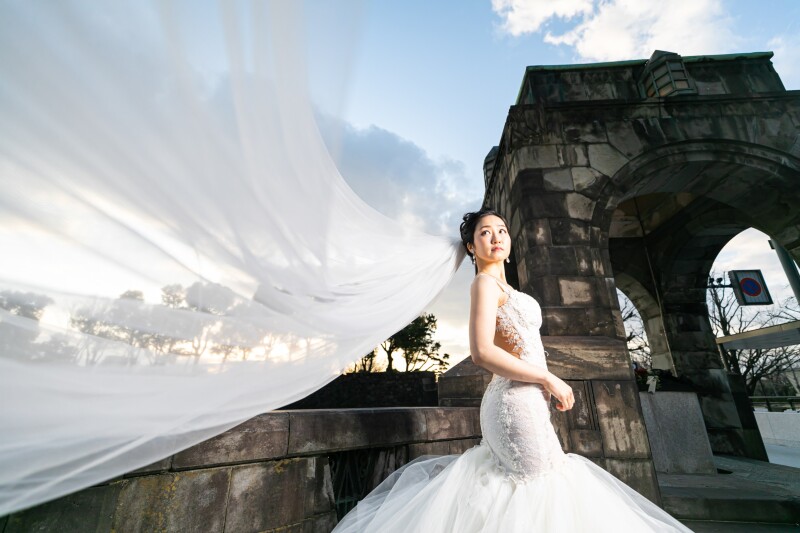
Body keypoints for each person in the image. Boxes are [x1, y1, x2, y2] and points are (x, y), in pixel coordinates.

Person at [332, 209, 693, 532]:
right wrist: (548, 378)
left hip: (529, 401)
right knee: (535, 489)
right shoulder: (484, 284)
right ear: (472, 247)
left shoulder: (508, 288)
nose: (496, 237)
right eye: (485, 233)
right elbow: (482, 352)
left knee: (545, 490)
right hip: (513, 402)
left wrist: (541, 383)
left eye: (501, 230)